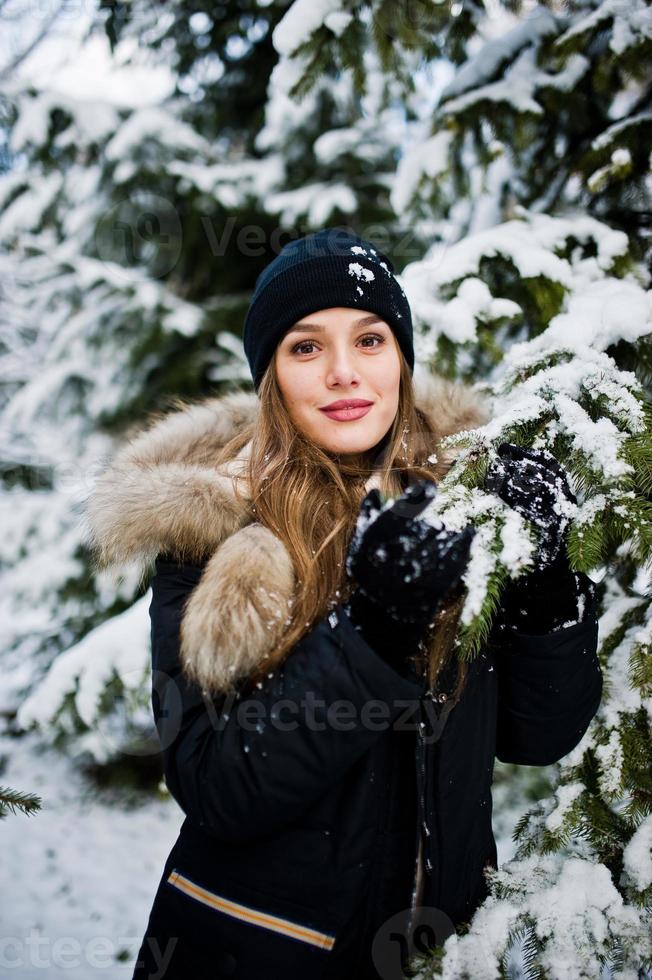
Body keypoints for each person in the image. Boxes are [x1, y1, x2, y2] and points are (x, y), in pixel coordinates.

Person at [85, 228, 603, 980]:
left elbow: (537, 737)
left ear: (401, 359)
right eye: (304, 347)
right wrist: (373, 635)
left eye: (369, 340)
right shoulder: (211, 531)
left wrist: (548, 588)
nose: (342, 373)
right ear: (272, 375)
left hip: (436, 954)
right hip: (256, 954)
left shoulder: (458, 509)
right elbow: (217, 788)